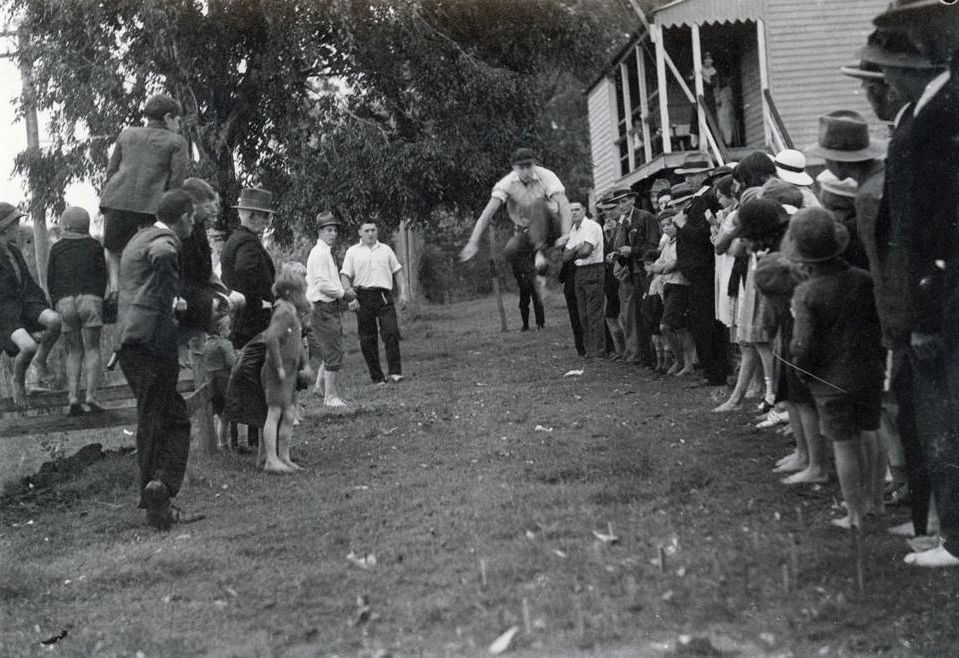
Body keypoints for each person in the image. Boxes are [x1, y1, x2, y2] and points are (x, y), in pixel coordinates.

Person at [874, 0, 959, 568]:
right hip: (929, 296)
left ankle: (954, 538)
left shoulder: (944, 115)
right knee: (935, 418)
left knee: (948, 416)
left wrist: (926, 311)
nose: (880, 79)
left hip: (944, 297)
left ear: (912, 68)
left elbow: (942, 226)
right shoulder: (916, 118)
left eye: (886, 67)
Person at [789, 208, 885, 530]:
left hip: (830, 381)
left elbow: (801, 346)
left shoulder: (806, 293)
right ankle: (876, 502)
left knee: (844, 445)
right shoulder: (863, 279)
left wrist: (803, 373)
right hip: (869, 372)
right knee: (869, 432)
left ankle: (854, 514)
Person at [116, 189, 195, 531]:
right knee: (159, 418)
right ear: (183, 218)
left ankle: (159, 489)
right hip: (152, 340)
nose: (193, 223)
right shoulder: (165, 239)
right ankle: (156, 498)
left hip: (130, 342)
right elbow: (163, 256)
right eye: (192, 217)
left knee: (168, 415)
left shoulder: (139, 237)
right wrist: (172, 298)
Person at [99, 94, 189, 315]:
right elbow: (176, 182)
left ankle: (114, 286)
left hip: (116, 200)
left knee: (112, 247)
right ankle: (144, 290)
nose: (178, 125)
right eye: (178, 120)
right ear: (168, 118)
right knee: (149, 248)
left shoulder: (127, 134)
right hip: (151, 206)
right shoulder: (177, 142)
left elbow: (111, 170)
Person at [460, 148, 572, 275]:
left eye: (529, 166)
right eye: (521, 168)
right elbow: (488, 212)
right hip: (532, 229)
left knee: (537, 204)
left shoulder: (546, 176)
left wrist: (565, 234)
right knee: (511, 250)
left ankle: (539, 252)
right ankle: (536, 276)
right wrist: (473, 241)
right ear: (514, 167)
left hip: (553, 225)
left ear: (534, 164)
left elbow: (564, 204)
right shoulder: (507, 183)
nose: (526, 172)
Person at [674, 155, 730, 386]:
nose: (688, 180)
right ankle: (713, 371)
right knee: (701, 323)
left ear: (704, 175)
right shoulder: (696, 200)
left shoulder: (708, 200)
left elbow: (704, 236)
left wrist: (682, 225)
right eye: (685, 175)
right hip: (696, 273)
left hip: (704, 271)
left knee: (705, 323)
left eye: (692, 175)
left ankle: (715, 373)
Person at [46, 206, 106, 415]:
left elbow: (50, 280)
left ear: (66, 225)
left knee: (74, 351)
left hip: (65, 302)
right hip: (90, 300)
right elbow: (103, 276)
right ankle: (91, 396)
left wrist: (56, 302)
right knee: (92, 348)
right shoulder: (95, 246)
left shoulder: (56, 249)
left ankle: (72, 397)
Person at [0, 202, 61, 406]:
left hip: (25, 302)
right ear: (5, 227)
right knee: (27, 346)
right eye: (16, 223)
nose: (18, 227)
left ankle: (40, 361)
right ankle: (19, 380)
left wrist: (44, 303)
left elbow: (28, 283)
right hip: (4, 310)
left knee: (54, 321)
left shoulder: (14, 251)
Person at [340, 222, 409, 384]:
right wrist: (350, 296)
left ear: (377, 231)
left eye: (373, 230)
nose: (370, 233)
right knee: (367, 339)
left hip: (384, 295)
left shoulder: (386, 250)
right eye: (366, 230)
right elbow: (344, 276)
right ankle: (377, 377)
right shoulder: (352, 252)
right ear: (360, 232)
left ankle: (395, 372)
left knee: (391, 332)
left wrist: (404, 292)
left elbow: (397, 271)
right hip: (363, 296)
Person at [260, 263, 313, 473]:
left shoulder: (293, 312)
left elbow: (296, 342)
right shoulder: (284, 312)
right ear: (291, 293)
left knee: (290, 414)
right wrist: (279, 366)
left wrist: (305, 364)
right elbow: (271, 338)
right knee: (274, 412)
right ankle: (270, 459)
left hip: (290, 371)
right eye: (302, 291)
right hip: (277, 372)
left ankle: (285, 456)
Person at [306, 211, 356, 406]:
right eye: (328, 230)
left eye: (335, 230)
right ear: (319, 231)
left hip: (329, 306)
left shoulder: (326, 252)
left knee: (331, 347)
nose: (333, 234)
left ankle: (320, 387)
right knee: (333, 349)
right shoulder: (318, 253)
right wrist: (344, 294)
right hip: (321, 307)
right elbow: (321, 284)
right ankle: (331, 396)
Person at [221, 188, 276, 350]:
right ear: (252, 215)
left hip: (239, 321)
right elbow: (244, 272)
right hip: (252, 324)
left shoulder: (235, 239)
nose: (267, 221)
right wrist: (258, 303)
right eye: (265, 216)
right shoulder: (248, 243)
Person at [651, 212, 694, 376]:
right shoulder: (668, 243)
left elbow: (672, 265)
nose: (666, 228)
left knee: (666, 326)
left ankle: (682, 361)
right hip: (668, 285)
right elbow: (657, 264)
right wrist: (661, 267)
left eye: (669, 224)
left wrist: (661, 268)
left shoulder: (681, 242)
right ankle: (684, 363)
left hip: (680, 285)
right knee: (680, 327)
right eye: (663, 226)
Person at [562, 201, 605, 359]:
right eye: (571, 210)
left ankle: (599, 350)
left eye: (577, 210)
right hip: (579, 271)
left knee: (594, 314)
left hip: (593, 269)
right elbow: (565, 257)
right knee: (583, 315)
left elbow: (587, 251)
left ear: (584, 210)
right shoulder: (575, 229)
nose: (573, 213)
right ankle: (589, 350)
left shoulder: (591, 226)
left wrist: (576, 250)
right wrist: (575, 248)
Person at [203, 307, 237, 451]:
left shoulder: (206, 345)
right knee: (227, 416)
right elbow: (232, 363)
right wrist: (238, 355)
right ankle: (228, 443)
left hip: (211, 384)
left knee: (219, 415)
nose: (230, 330)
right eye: (229, 327)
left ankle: (220, 443)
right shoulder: (225, 344)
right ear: (221, 329)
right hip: (224, 383)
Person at [510, 245, 545, 332]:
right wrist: (519, 279)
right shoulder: (515, 251)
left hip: (534, 277)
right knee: (523, 304)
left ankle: (540, 324)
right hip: (523, 278)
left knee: (537, 302)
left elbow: (540, 262)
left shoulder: (534, 248)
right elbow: (514, 267)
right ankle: (525, 325)